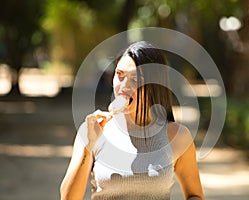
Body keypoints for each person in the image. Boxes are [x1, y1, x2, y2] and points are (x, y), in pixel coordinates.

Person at [60, 41, 205, 200]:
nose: (123, 86)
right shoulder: (92, 131)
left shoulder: (178, 136)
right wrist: (88, 146)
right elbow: (68, 198)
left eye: (136, 79)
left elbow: (195, 195)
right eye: (120, 75)